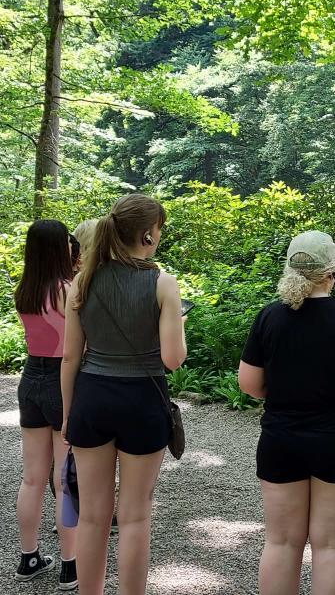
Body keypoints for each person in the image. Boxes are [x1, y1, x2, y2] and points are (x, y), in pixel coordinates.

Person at [239, 231, 335, 595]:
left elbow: (249, 383)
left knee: (281, 543)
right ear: (332, 271)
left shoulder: (270, 317)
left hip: (280, 440)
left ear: (290, 268)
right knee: (333, 545)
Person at [61, 194, 187, 595]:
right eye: (160, 228)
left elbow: (69, 357)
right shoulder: (163, 283)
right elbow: (172, 359)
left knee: (93, 516)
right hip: (142, 401)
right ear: (148, 233)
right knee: (134, 517)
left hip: (92, 398)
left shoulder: (83, 281)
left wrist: (68, 415)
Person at [13, 220, 78, 589]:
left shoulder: (25, 290)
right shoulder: (69, 290)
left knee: (32, 478)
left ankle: (29, 557)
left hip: (30, 379)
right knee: (65, 478)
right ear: (60, 248)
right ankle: (70, 564)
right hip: (62, 380)